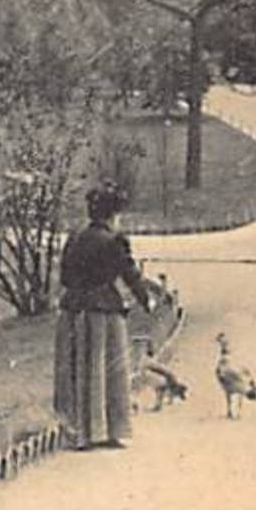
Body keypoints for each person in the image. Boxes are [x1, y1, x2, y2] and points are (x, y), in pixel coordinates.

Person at [55, 181, 153, 450]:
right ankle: (107, 430)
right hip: (103, 313)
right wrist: (147, 300)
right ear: (113, 215)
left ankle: (79, 431)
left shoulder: (74, 237)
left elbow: (64, 277)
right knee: (107, 370)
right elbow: (130, 274)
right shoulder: (114, 240)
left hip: (73, 311)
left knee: (79, 368)